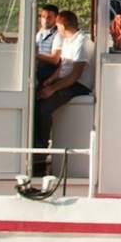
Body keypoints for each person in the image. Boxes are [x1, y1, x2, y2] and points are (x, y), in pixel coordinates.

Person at [33, 11, 94, 176]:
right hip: (67, 80)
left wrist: (52, 89)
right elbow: (63, 67)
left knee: (44, 107)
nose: (56, 29)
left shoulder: (82, 43)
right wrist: (50, 81)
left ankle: (40, 153)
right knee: (36, 99)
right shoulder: (68, 40)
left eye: (58, 26)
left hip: (79, 86)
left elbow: (75, 76)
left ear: (62, 25)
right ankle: (36, 145)